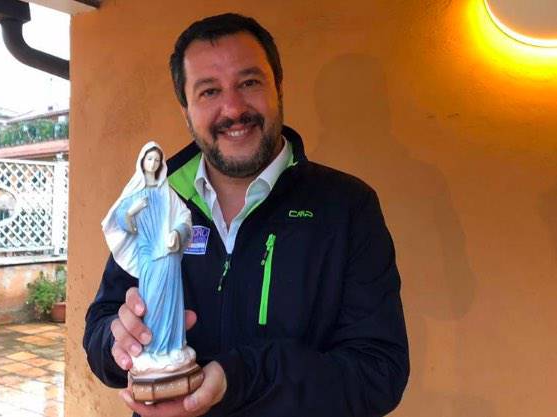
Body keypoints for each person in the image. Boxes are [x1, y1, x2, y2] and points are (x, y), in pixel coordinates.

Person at [84, 13, 409, 417]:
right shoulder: (157, 202)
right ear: (186, 111)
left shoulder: (347, 207)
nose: (233, 108)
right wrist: (118, 344)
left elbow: (378, 374)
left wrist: (241, 379)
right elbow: (100, 326)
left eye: (249, 83)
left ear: (278, 89)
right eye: (209, 91)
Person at [101, 142, 195, 375]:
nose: (152, 164)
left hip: (170, 256)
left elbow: (184, 218)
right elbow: (123, 221)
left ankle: (173, 345)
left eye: (156, 160)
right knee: (150, 304)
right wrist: (133, 211)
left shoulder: (167, 193)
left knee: (171, 303)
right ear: (142, 162)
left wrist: (177, 233)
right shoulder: (135, 193)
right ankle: (152, 348)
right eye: (149, 159)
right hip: (149, 256)